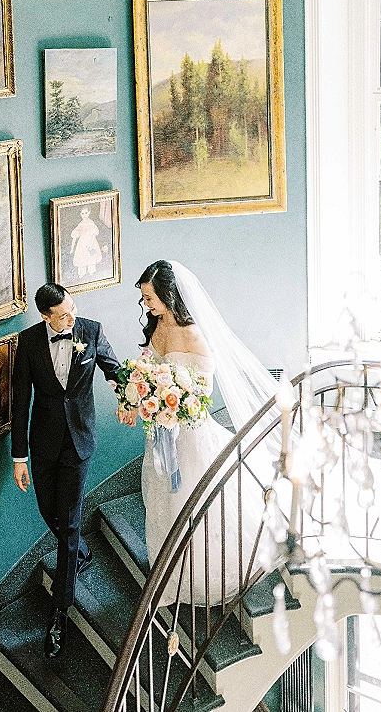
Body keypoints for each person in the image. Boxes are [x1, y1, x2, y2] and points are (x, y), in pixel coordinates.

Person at [120, 260, 280, 606]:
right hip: (160, 435)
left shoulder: (195, 335)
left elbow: (202, 392)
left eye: (151, 298)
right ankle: (171, 577)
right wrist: (134, 400)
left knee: (191, 505)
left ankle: (203, 577)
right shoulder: (157, 327)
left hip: (189, 437)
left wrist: (170, 404)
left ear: (169, 295)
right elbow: (144, 370)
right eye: (144, 299)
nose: (147, 305)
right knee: (163, 501)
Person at [11, 283, 120, 657]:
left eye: (72, 309)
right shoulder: (27, 342)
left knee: (70, 521)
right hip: (43, 445)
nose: (71, 318)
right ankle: (80, 552)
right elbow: (20, 400)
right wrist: (19, 457)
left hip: (79, 442)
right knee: (49, 510)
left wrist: (131, 396)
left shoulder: (92, 330)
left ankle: (60, 613)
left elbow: (114, 369)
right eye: (62, 315)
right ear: (45, 317)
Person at [70, 206, 102, 278]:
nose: (84, 215)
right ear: (80, 214)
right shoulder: (81, 223)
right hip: (82, 243)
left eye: (86, 213)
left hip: (91, 241)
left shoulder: (91, 222)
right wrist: (72, 248)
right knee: (82, 257)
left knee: (91, 257)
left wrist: (91, 244)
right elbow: (76, 233)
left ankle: (92, 272)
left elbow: (94, 233)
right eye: (82, 213)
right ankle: (81, 273)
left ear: (89, 213)